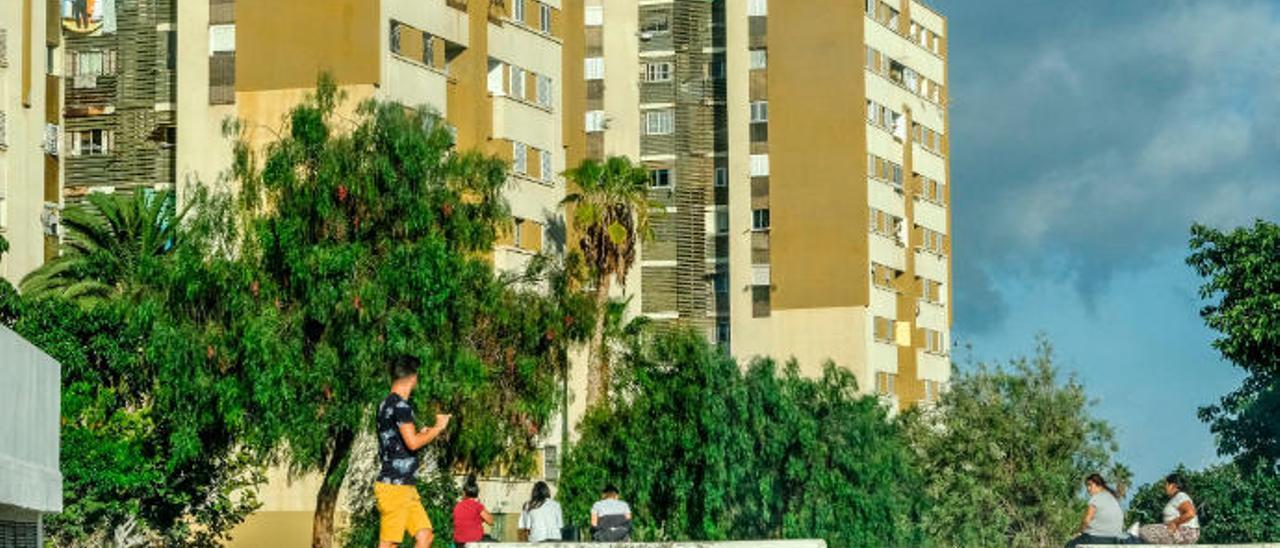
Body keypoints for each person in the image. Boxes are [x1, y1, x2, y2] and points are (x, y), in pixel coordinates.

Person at [374, 357, 451, 548]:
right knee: (389, 544)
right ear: (413, 377)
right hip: (395, 486)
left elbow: (400, 441)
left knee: (425, 536)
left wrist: (422, 433)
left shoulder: (385, 404)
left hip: (405, 486)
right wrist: (438, 428)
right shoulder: (401, 406)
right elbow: (413, 443)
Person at [1136, 473, 1199, 544]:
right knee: (1142, 533)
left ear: (1173, 485)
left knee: (1142, 531)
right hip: (1182, 532)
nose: (1164, 487)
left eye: (1166, 484)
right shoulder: (1176, 498)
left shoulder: (1181, 496)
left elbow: (1191, 513)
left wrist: (1174, 523)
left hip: (1185, 532)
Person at [1065, 474, 1124, 547]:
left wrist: (1079, 532)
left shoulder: (1096, 498)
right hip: (1115, 539)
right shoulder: (1113, 499)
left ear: (1099, 485)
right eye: (1087, 486)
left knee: (1069, 544)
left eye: (1090, 485)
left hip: (1096, 538)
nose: (1088, 488)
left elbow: (1086, 520)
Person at [453, 475, 494, 547]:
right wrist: (483, 507)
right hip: (473, 542)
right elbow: (490, 522)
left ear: (464, 493)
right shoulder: (477, 506)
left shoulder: (457, 506)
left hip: (459, 542)